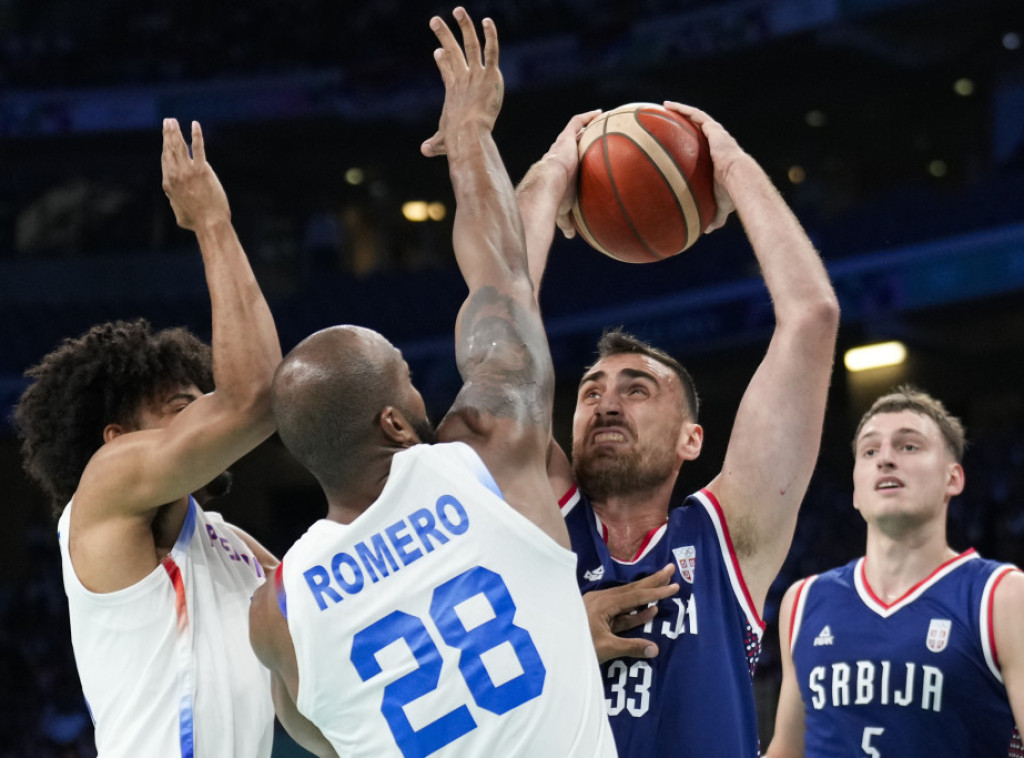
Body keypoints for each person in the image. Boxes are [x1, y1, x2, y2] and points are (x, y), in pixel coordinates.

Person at [248, 9, 616, 758]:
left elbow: (326, 741)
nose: (424, 395)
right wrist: (472, 136)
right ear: (392, 423)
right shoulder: (487, 458)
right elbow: (502, 281)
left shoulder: (276, 610)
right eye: (409, 382)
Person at [514, 102, 841, 755]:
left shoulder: (729, 538)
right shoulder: (542, 518)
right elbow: (498, 325)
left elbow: (811, 316)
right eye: (590, 391)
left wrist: (733, 167)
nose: (607, 402)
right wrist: (550, 176)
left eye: (637, 389)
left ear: (692, 438)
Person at [13, 118, 281, 757]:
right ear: (118, 439)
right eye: (183, 410)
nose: (207, 418)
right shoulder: (103, 490)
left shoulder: (232, 545)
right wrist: (212, 222)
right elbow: (255, 397)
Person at [765, 386, 1024, 757]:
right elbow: (788, 750)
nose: (885, 459)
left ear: (953, 478)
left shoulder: (1003, 597)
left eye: (909, 446)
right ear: (856, 491)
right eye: (870, 451)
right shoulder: (803, 600)